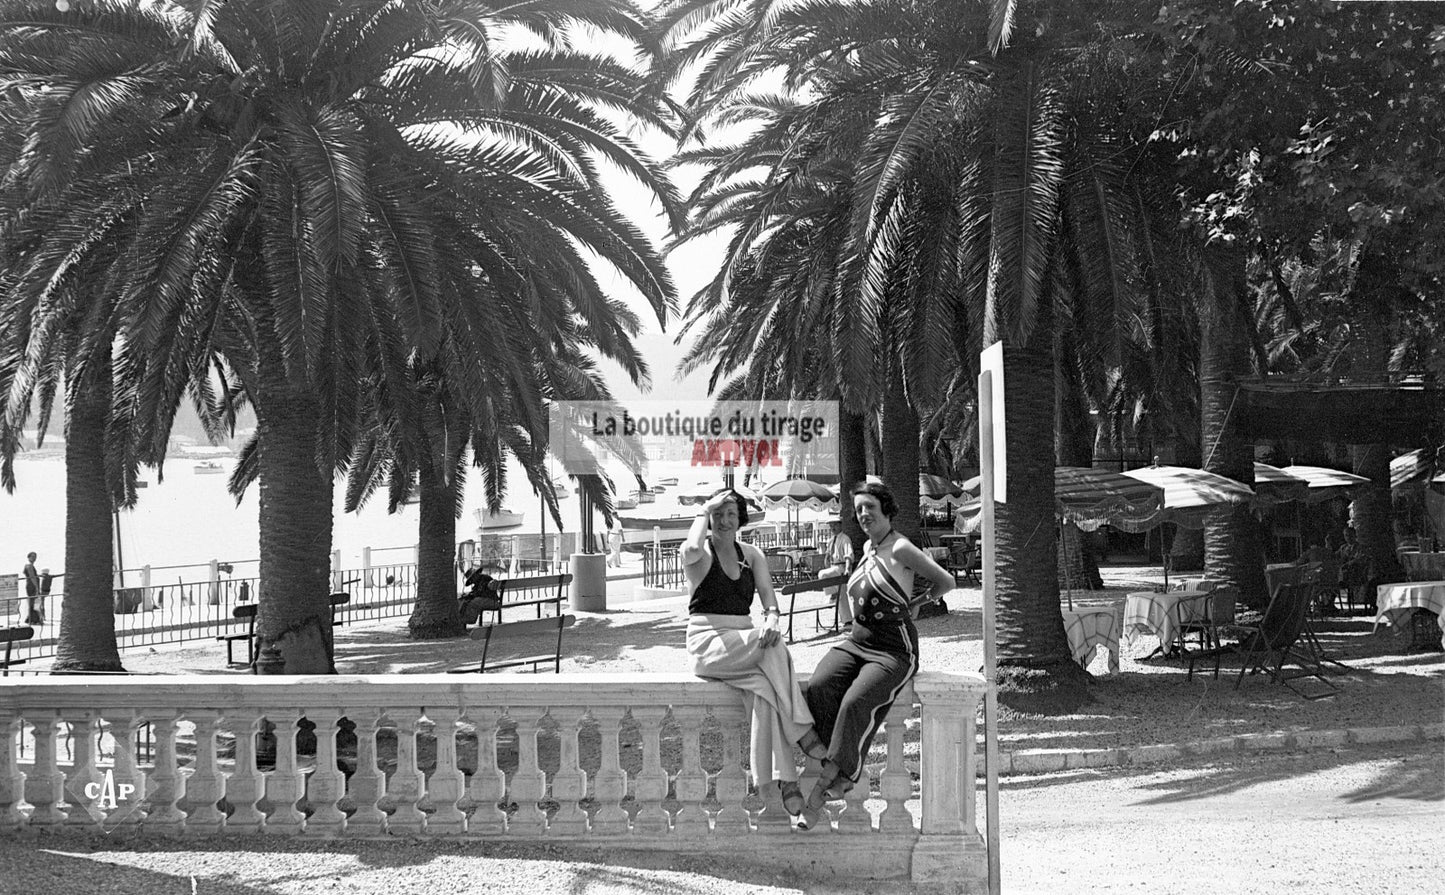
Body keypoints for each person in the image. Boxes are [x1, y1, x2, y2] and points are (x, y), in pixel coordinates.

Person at [800, 481, 959, 822]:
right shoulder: (869, 549)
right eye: (858, 509)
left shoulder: (900, 547)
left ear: (886, 508)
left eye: (869, 507)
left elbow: (946, 582)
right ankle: (838, 756)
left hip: (893, 649)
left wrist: (915, 603)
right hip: (858, 642)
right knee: (819, 686)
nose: (863, 514)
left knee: (855, 702)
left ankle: (833, 781)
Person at [682, 489, 826, 819]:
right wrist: (703, 509)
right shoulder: (700, 553)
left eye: (731, 513)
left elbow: (768, 601)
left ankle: (786, 783)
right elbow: (690, 546)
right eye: (718, 514)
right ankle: (802, 732)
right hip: (708, 640)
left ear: (740, 519)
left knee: (764, 692)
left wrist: (773, 618)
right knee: (771, 647)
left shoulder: (752, 554)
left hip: (746, 641)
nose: (723, 520)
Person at [821, 521, 854, 621]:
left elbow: (848, 555)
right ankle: (847, 620)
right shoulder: (831, 540)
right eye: (831, 526)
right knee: (842, 594)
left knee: (822, 574)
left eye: (835, 525)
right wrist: (826, 562)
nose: (832, 528)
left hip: (841, 567)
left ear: (840, 525)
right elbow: (828, 555)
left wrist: (847, 569)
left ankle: (833, 594)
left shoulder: (845, 539)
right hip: (833, 566)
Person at [22, 551, 42, 625]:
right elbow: (32, 577)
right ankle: (31, 618)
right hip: (31, 585)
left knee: (32, 602)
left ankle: (30, 618)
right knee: (32, 602)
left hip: (30, 585)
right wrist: (36, 587)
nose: (34, 558)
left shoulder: (29, 565)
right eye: (33, 556)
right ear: (29, 557)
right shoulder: (29, 565)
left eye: (35, 557)